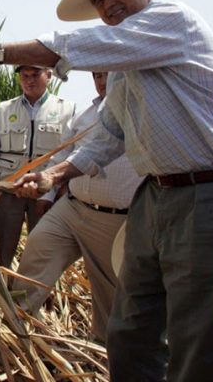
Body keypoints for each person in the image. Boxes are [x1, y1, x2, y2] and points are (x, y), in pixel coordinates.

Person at [0, 0, 213, 381]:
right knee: (129, 328)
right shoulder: (119, 71)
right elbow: (109, 135)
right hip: (157, 197)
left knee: (199, 338)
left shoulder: (174, 20)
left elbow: (82, 45)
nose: (107, 4)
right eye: (98, 0)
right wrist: (52, 175)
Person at [12, 71, 142, 342]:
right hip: (71, 208)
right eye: (96, 75)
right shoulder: (84, 115)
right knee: (38, 247)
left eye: (107, 74)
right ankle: (14, 325)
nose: (101, 80)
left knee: (110, 291)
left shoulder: (141, 113)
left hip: (114, 219)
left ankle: (101, 354)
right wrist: (47, 197)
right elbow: (63, 153)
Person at [0, 65, 74, 269]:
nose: (29, 80)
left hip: (46, 194)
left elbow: (72, 153)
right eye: (24, 75)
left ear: (49, 75)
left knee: (44, 253)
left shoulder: (67, 109)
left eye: (35, 75)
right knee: (1, 249)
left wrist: (56, 190)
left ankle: (39, 298)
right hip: (10, 191)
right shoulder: (4, 109)